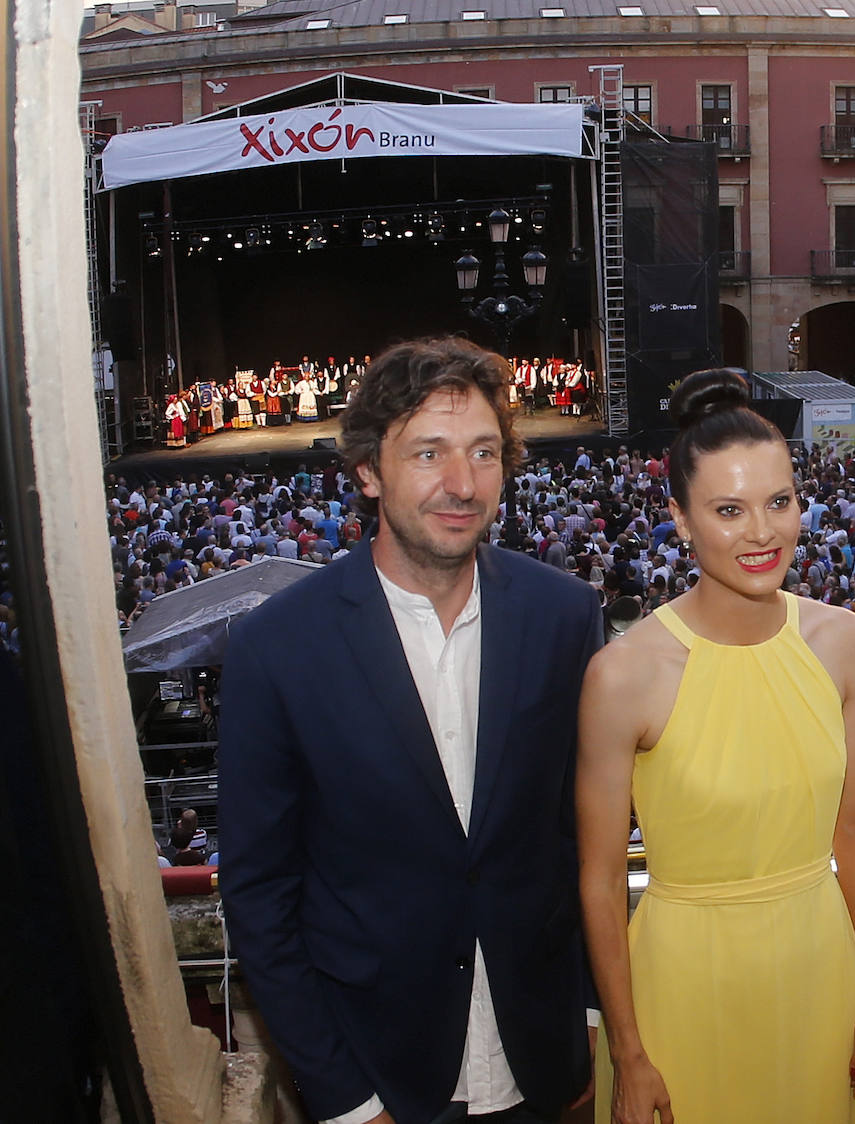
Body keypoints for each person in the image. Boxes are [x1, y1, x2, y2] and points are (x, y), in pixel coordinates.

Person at [219, 337, 604, 1124]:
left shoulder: (563, 615)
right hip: (378, 1075)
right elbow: (259, 896)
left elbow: (582, 840)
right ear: (367, 471)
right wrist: (347, 1100)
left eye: (484, 453)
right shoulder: (279, 647)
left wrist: (591, 1029)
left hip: (547, 1066)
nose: (462, 485)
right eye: (429, 452)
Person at [577, 369, 855, 1124]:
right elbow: (596, 881)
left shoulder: (844, 642)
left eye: (779, 502)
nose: (763, 533)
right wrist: (628, 1050)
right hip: (684, 991)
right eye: (729, 510)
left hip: (822, 979)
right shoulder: (624, 675)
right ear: (680, 520)